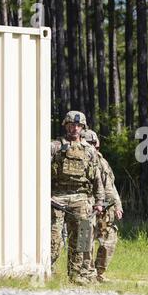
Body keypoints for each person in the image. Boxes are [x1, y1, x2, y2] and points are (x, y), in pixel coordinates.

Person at [50, 111, 105, 285]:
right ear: (66, 125)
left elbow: (97, 178)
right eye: (71, 125)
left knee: (81, 240)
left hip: (81, 199)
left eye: (78, 126)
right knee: (54, 240)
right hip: (57, 198)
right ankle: (47, 271)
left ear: (83, 128)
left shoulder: (89, 150)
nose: (74, 128)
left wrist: (99, 202)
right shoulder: (55, 147)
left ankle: (75, 275)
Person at [81, 129, 123, 283]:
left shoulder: (102, 161)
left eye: (95, 144)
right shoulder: (82, 161)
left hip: (105, 209)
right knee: (85, 241)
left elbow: (111, 185)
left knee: (109, 240)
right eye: (90, 143)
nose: (94, 147)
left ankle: (99, 273)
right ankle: (85, 273)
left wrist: (117, 205)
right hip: (87, 207)